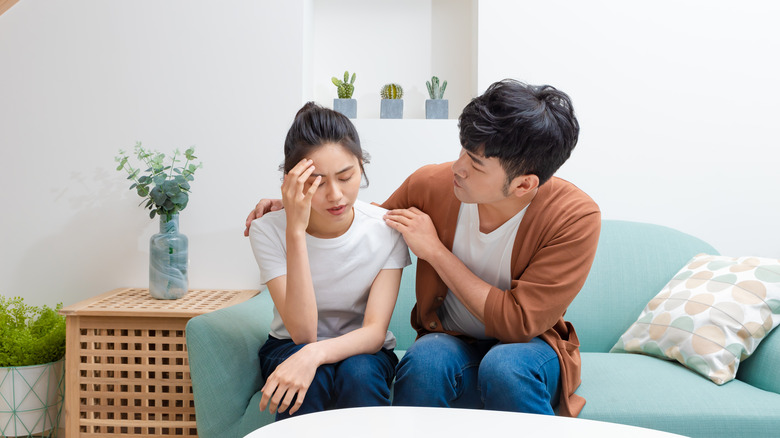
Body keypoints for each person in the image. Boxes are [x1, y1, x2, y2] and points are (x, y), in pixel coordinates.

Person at [245, 80, 600, 417]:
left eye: (475, 165)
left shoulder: (574, 218)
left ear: (524, 184)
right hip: (449, 340)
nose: (457, 168)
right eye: (463, 151)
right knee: (425, 363)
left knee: (504, 367)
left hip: (531, 345)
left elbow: (519, 322)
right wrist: (290, 205)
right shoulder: (432, 184)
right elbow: (360, 222)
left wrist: (435, 252)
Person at [247, 102, 411, 420]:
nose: (335, 195)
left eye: (346, 176)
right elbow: (303, 334)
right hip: (288, 344)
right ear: (292, 181)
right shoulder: (267, 229)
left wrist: (315, 354)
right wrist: (296, 228)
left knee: (360, 374)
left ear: (361, 167)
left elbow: (374, 332)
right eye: (318, 182)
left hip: (363, 349)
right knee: (310, 382)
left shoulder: (384, 228)